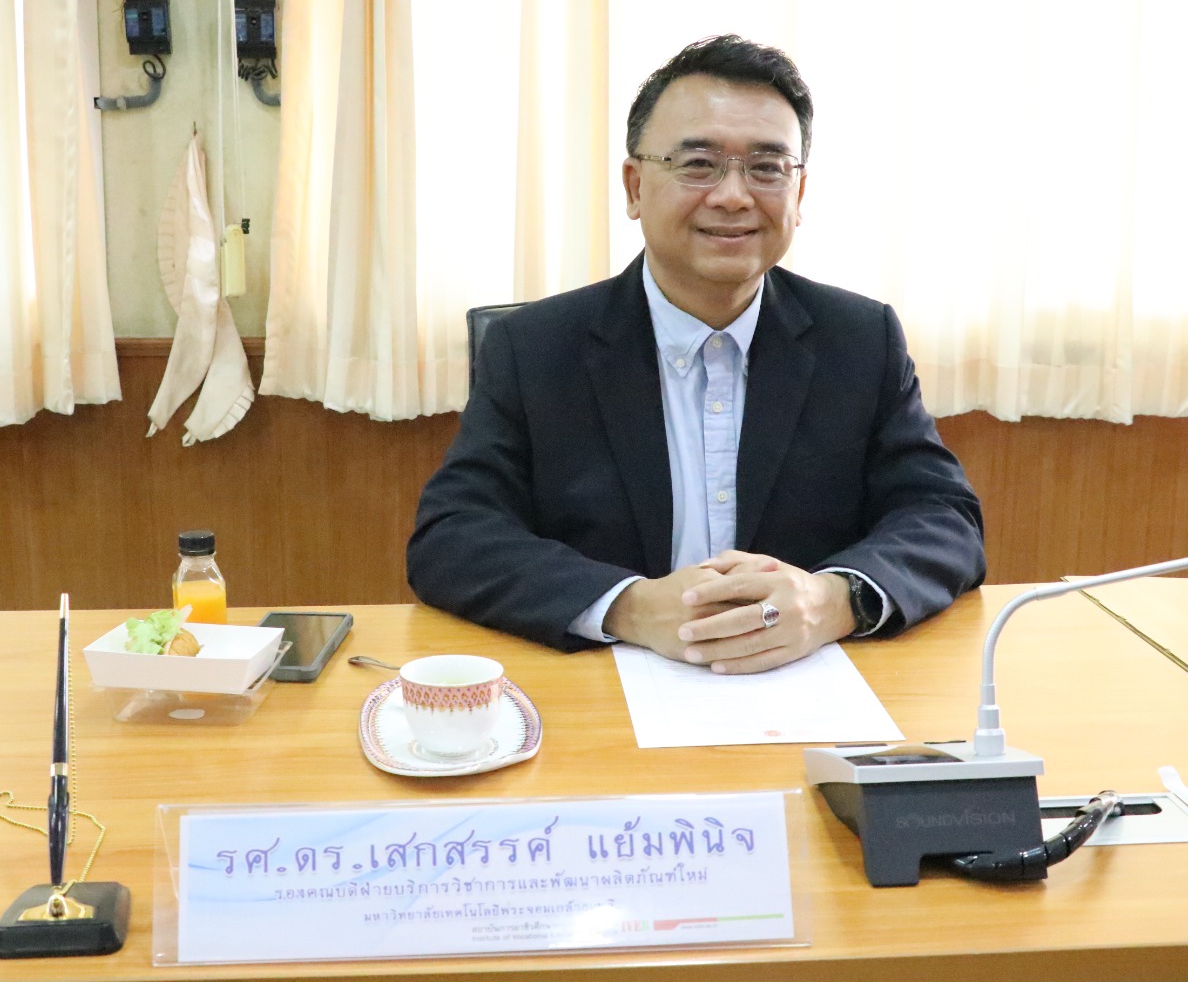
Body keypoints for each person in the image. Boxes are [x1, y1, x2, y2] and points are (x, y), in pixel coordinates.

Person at [407, 34, 985, 674]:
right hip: (603, 682)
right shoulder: (535, 348)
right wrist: (628, 606)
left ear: (799, 194)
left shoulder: (860, 339)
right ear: (634, 186)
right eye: (699, 164)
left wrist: (833, 600)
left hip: (807, 683)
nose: (734, 196)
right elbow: (453, 535)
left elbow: (942, 517)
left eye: (767, 167)